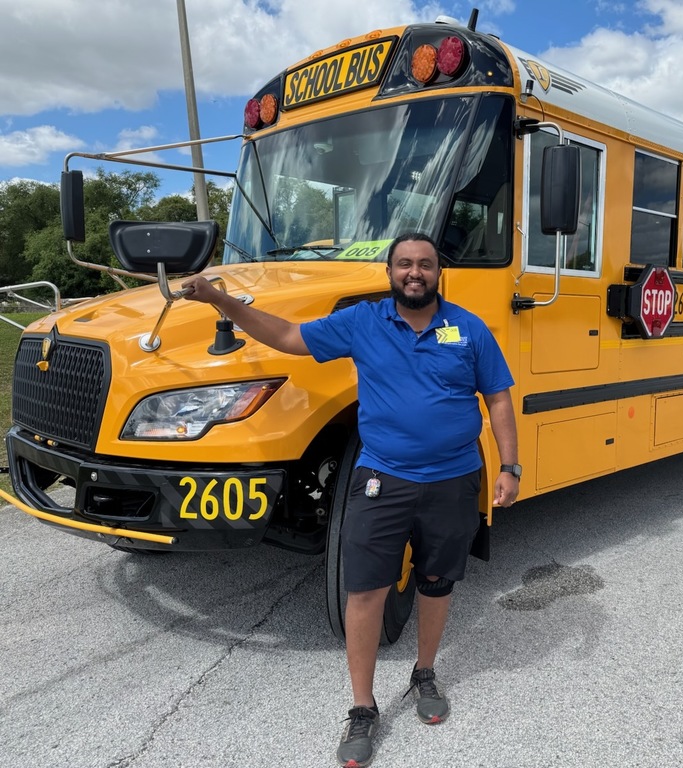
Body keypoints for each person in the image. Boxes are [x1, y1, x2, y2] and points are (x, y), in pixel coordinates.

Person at [183, 232, 520, 768]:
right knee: (365, 590)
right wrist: (223, 301)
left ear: (438, 273)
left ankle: (424, 674)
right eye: (405, 264)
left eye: (426, 265)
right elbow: (289, 336)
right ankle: (362, 707)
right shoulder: (364, 322)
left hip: (455, 480)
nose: (416, 273)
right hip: (382, 478)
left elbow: (497, 397)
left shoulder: (469, 328)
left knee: (437, 581)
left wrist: (509, 466)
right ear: (390, 273)